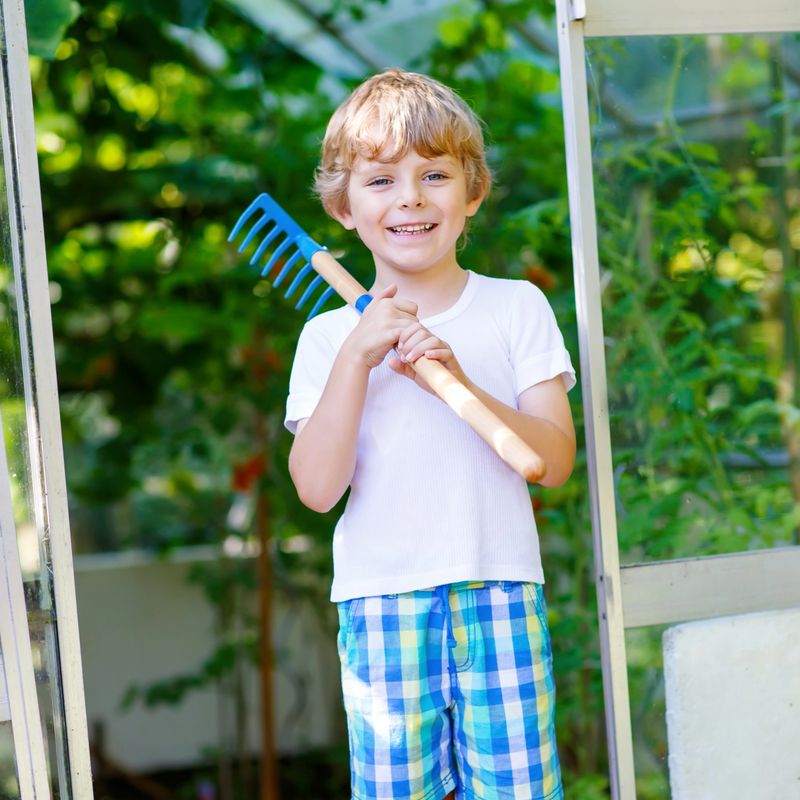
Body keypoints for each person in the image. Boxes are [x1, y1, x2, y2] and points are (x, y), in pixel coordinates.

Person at [284, 68, 576, 800]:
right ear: (342, 206)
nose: (410, 198)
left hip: (500, 592)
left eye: (435, 174)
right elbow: (318, 491)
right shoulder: (326, 338)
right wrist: (359, 355)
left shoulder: (516, 308)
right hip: (384, 605)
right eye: (380, 181)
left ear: (471, 192)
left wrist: (459, 378)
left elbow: (553, 460)